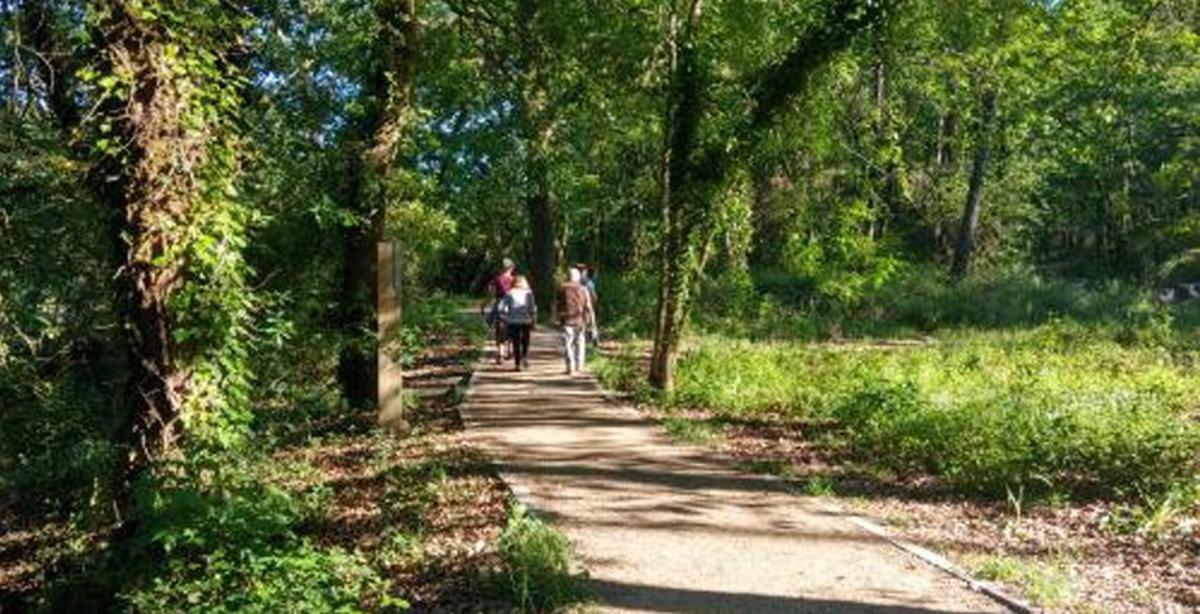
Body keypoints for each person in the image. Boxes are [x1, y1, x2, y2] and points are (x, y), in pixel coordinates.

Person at [558, 267, 595, 375]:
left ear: (568, 276)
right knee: (580, 342)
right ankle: (580, 366)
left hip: (567, 320)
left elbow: (558, 304)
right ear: (578, 277)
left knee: (568, 344)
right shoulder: (584, 289)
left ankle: (570, 366)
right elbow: (588, 306)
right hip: (580, 320)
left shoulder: (562, 288)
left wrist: (558, 316)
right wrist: (591, 322)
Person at [481, 258, 516, 363]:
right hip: (512, 306)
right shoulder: (515, 280)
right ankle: (510, 351)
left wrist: (484, 305)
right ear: (512, 268)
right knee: (512, 328)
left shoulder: (496, 280)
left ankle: (500, 354)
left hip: (500, 305)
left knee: (498, 329)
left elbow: (491, 295)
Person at [498, 275, 537, 370]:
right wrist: (534, 320)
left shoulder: (509, 293)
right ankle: (525, 358)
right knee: (525, 341)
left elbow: (502, 308)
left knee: (515, 342)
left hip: (513, 321)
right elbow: (532, 309)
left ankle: (517, 364)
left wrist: (504, 318)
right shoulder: (529, 293)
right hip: (526, 321)